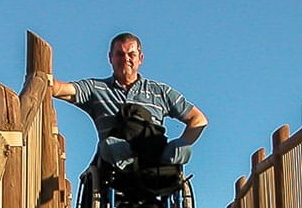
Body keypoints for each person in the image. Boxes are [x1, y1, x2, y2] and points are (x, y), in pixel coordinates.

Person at [51, 32, 208, 170]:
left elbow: (198, 119)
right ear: (110, 58)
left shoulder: (160, 91)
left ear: (140, 59)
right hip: (117, 165)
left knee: (183, 148)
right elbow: (60, 90)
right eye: (119, 54)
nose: (125, 58)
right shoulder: (95, 89)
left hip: (156, 159)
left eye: (131, 54)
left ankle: (154, 170)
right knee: (109, 145)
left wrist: (179, 144)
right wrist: (45, 78)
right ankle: (133, 170)